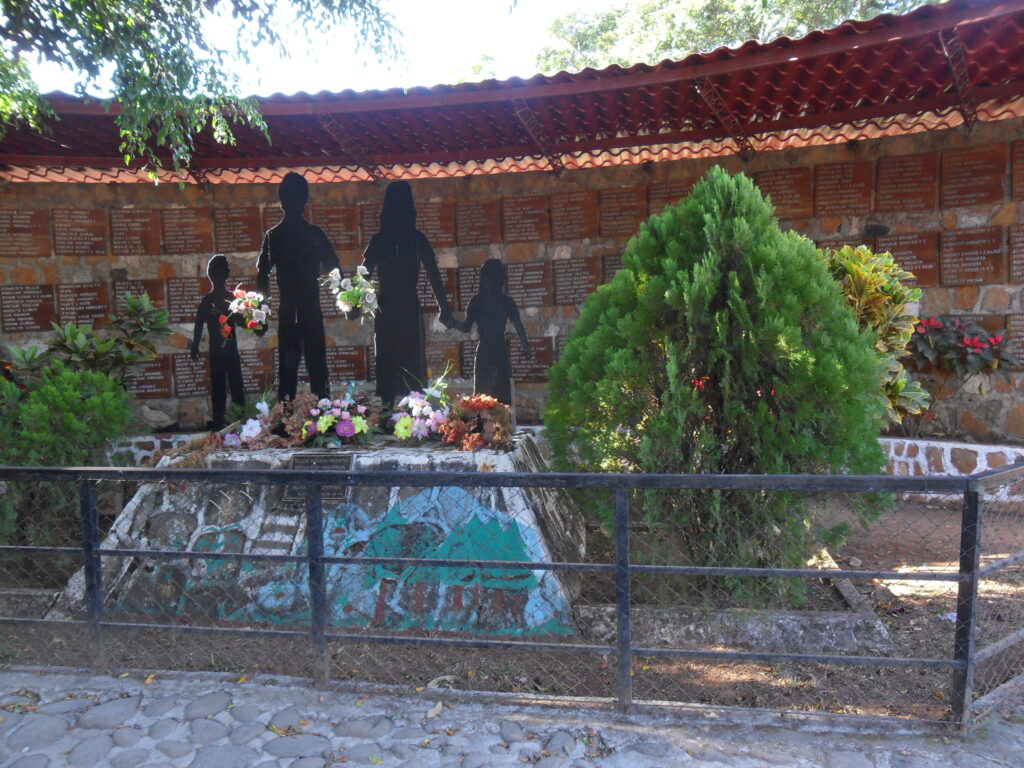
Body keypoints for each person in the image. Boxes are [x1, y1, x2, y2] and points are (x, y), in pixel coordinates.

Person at [361, 180, 454, 404]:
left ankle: (387, 413)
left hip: (387, 307)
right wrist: (444, 308)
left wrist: (357, 301)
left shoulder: (380, 239)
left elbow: (363, 276)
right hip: (407, 307)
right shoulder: (416, 239)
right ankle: (416, 414)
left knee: (388, 359)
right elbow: (434, 275)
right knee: (410, 361)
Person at [256, 172, 341, 401]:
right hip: (301, 310)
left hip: (298, 311)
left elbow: (262, 276)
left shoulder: (279, 236)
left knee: (300, 369)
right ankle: (314, 416)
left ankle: (294, 418)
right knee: (303, 367)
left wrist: (260, 314)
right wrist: (260, 313)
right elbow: (336, 271)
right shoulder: (284, 236)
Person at [448, 258, 532, 406]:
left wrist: (526, 346)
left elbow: (518, 324)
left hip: (497, 349)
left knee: (501, 390)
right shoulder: (478, 301)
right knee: (482, 390)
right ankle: (484, 423)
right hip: (488, 349)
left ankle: (501, 422)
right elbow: (467, 327)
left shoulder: (504, 301)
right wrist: (452, 322)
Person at [191, 254, 245, 430]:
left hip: (229, 347)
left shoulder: (232, 298)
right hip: (217, 349)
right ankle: (219, 421)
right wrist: (195, 345)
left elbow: (241, 321)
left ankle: (240, 418)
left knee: (236, 384)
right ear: (212, 276)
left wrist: (253, 319)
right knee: (218, 386)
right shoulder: (208, 300)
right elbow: (199, 324)